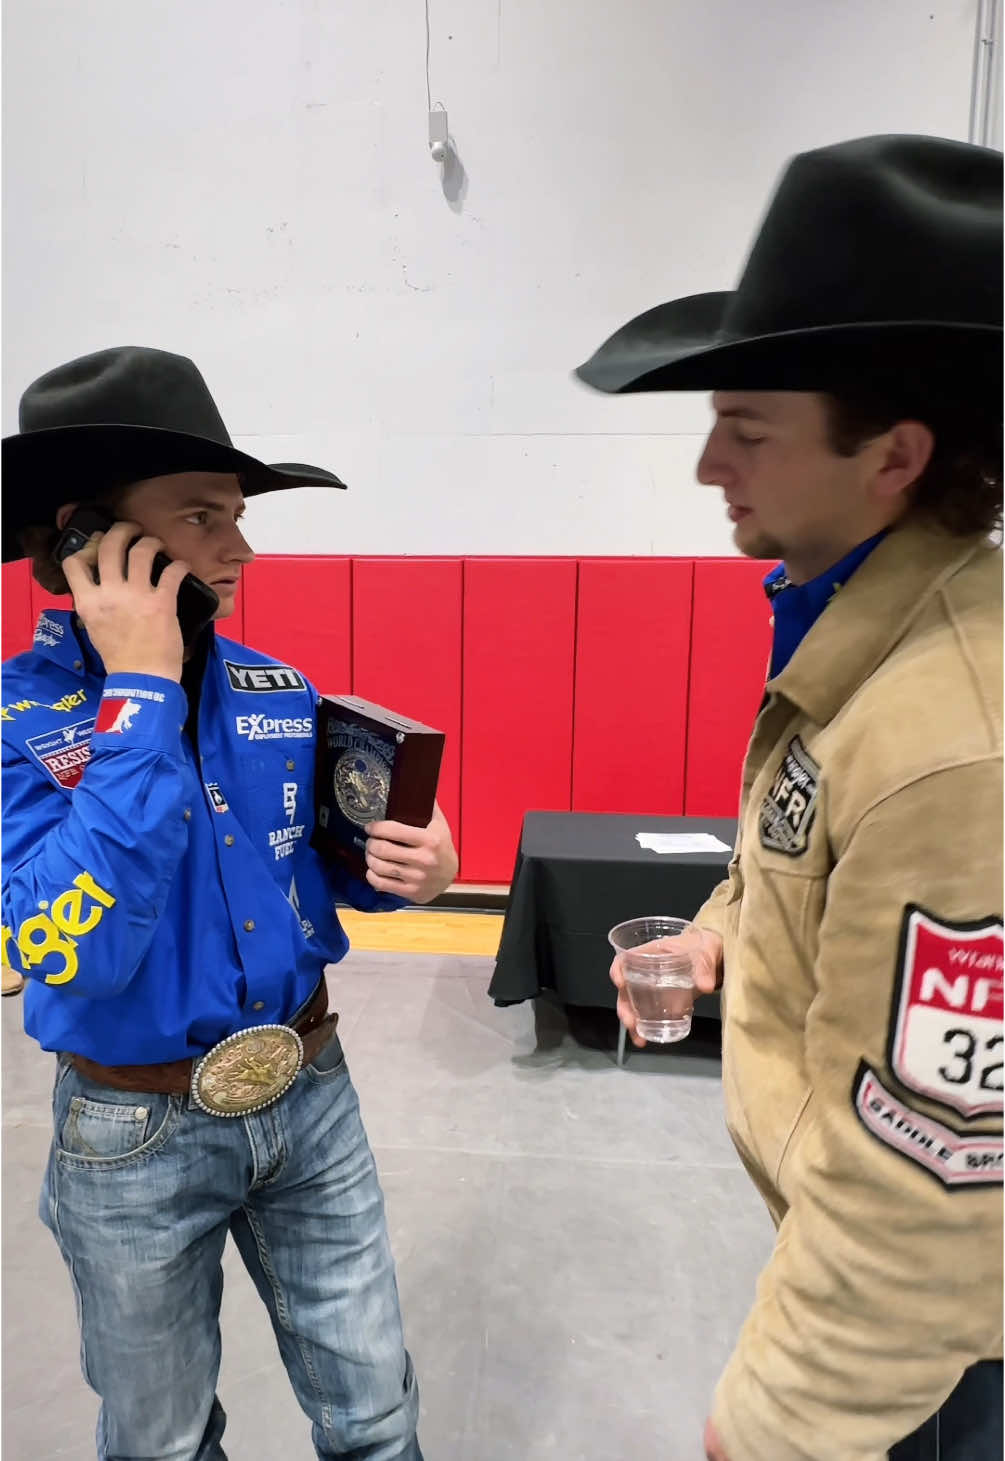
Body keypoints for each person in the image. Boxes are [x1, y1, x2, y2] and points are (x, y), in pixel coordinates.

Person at [578, 135, 1003, 1461]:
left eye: (746, 431)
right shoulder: (865, 631)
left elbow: (934, 1179)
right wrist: (725, 921)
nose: (712, 467)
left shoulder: (952, 745)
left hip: (917, 1355)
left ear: (892, 456)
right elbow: (805, 856)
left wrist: (779, 1425)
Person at [1, 345, 458, 1461]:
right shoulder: (13, 725)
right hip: (132, 1135)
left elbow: (323, 869)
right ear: (84, 539)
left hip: (312, 1094)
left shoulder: (275, 689)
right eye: (203, 516)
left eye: (239, 515)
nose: (240, 546)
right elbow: (74, 948)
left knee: (378, 1413)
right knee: (159, 1441)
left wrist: (416, 860)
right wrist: (143, 692)